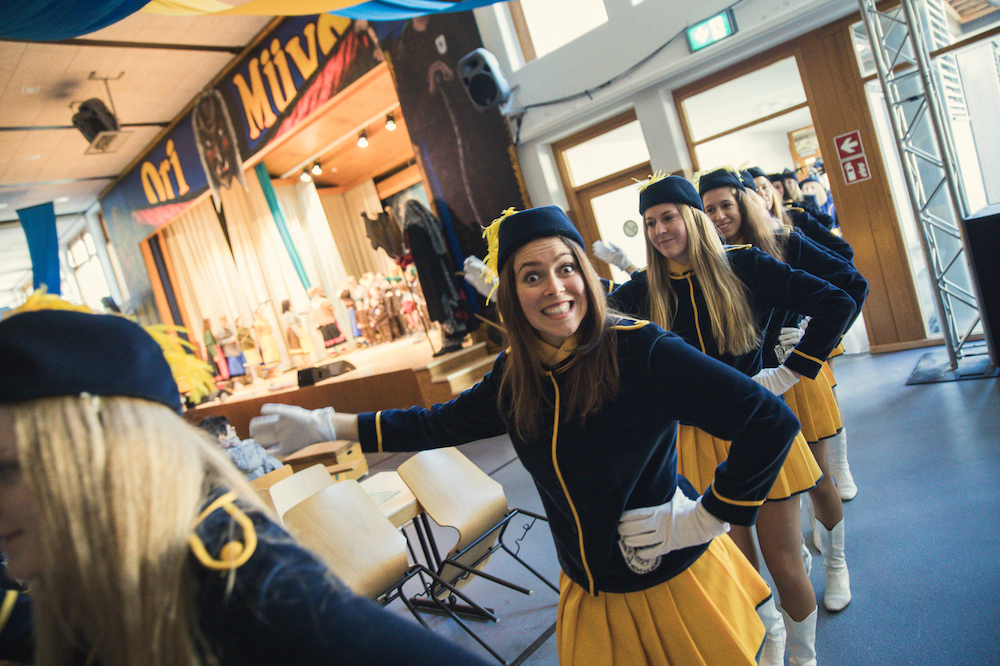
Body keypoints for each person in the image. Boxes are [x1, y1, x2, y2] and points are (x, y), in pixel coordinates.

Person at [251, 206, 803, 666]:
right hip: (591, 592)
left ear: (585, 274)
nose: (556, 288)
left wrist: (705, 517)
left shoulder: (641, 349)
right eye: (532, 276)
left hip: (673, 583)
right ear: (511, 293)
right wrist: (328, 425)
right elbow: (435, 423)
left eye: (566, 268)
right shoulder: (515, 376)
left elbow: (769, 421)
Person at [0, 303, 494, 666]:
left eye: (4, 470)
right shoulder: (117, 583)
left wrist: (330, 425)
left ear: (94, 461)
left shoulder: (236, 586)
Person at [606, 174, 856, 666]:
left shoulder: (743, 264)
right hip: (697, 441)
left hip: (759, 430)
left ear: (691, 217)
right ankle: (772, 651)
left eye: (667, 217)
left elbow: (839, 299)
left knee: (784, 563)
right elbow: (590, 324)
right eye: (650, 222)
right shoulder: (645, 289)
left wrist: (790, 371)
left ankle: (805, 658)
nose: (658, 230)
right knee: (741, 568)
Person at [700, 167, 868, 616]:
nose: (718, 216)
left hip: (796, 379)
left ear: (743, 202)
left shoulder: (784, 240)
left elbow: (851, 285)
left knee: (818, 479)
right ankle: (799, 566)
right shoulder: (712, 262)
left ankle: (837, 566)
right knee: (769, 493)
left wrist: (813, 339)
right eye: (709, 209)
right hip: (752, 393)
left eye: (725, 205)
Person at [198, 415, 282, 480]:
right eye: (229, 428)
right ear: (222, 437)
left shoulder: (212, 463)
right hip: (271, 491)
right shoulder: (252, 445)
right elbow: (278, 468)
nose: (233, 428)